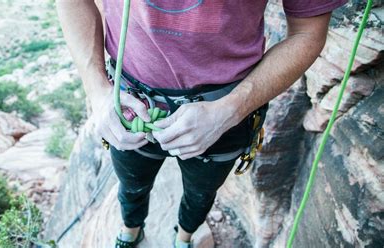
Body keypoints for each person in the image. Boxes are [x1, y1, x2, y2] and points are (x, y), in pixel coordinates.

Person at [56, 0, 346, 247]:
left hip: (224, 112)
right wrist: (97, 90)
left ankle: (184, 237)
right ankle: (131, 229)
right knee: (132, 184)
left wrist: (230, 110)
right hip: (132, 102)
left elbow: (307, 33)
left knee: (200, 193)